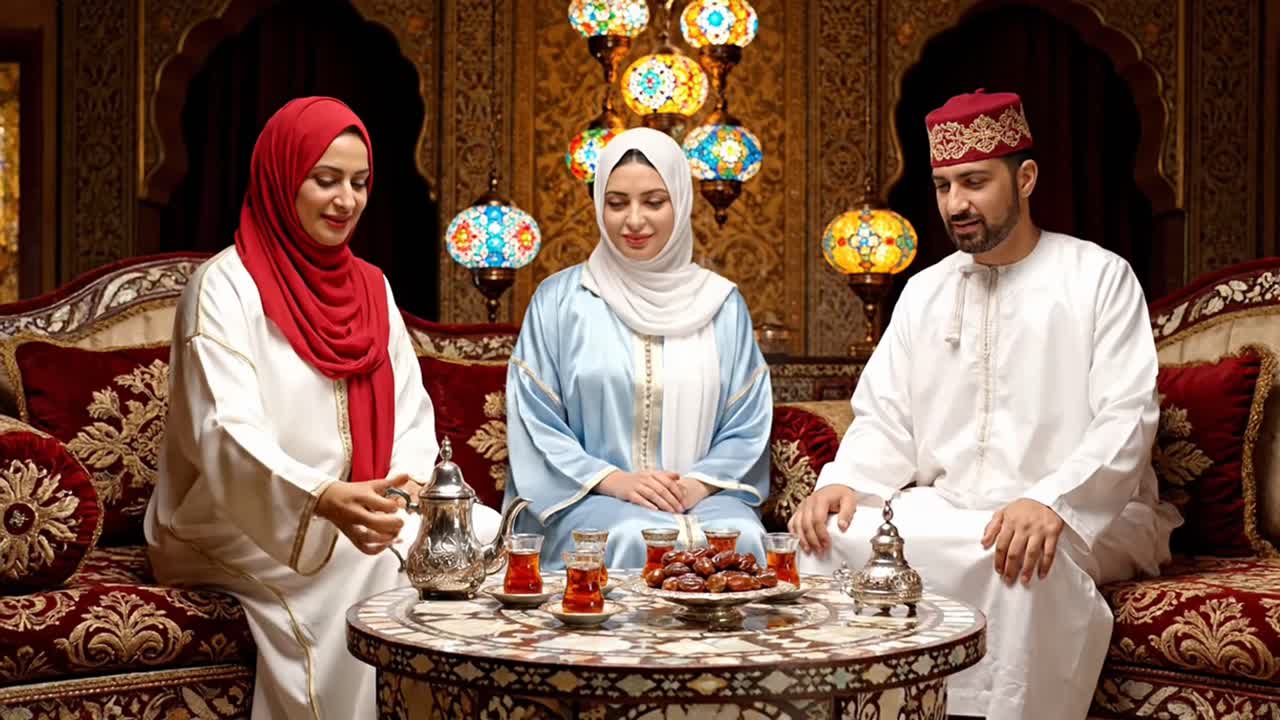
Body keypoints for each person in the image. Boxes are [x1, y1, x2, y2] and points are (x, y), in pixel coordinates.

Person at [789, 90, 1182, 720]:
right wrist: (847, 484)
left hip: (1089, 510)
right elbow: (886, 417)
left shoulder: (1098, 278)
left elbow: (1125, 417)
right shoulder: (924, 291)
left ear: (1025, 178)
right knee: (821, 542)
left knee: (1018, 559)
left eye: (974, 182)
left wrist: (1052, 500)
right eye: (944, 185)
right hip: (949, 507)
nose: (955, 204)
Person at [145, 97, 500, 720]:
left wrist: (407, 488)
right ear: (283, 179)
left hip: (363, 503)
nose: (346, 201)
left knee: (486, 541)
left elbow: (410, 409)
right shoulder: (224, 288)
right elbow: (224, 431)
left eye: (360, 183)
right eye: (325, 180)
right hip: (237, 516)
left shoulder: (370, 286)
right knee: (360, 565)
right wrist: (323, 498)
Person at [505, 127, 772, 568]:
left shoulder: (721, 304)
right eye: (616, 203)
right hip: (587, 497)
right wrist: (614, 481)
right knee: (634, 536)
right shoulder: (559, 301)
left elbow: (747, 421)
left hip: (704, 495)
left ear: (681, 203)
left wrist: (697, 486)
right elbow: (537, 418)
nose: (633, 220)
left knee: (737, 536)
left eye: (653, 201)